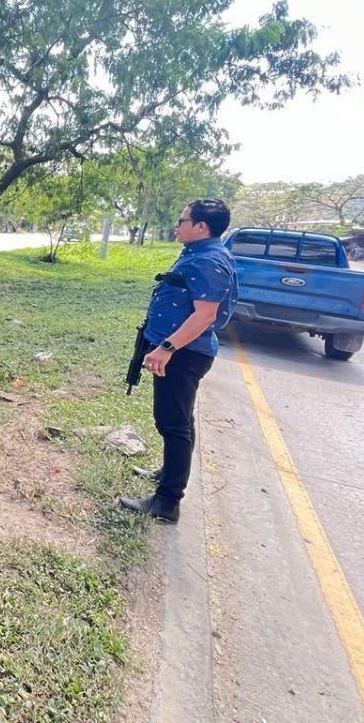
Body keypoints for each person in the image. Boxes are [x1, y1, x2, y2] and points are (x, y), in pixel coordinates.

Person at [119, 199, 238, 524]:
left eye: (182, 220)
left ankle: (168, 501)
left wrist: (167, 348)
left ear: (201, 226)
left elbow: (205, 315)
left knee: (172, 424)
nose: (176, 225)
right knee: (181, 419)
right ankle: (169, 473)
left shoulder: (208, 261)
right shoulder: (199, 253)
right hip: (182, 351)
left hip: (184, 354)